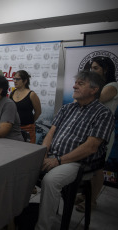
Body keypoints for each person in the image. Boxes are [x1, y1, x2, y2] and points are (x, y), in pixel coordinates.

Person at [35, 71, 114, 230]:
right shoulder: (67, 108)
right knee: (20, 168)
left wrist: (58, 161)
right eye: (76, 82)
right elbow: (50, 134)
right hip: (52, 156)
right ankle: (17, 216)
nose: (74, 86)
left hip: (78, 162)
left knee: (50, 181)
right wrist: (43, 153)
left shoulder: (103, 114)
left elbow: (91, 147)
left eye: (80, 83)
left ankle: (42, 227)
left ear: (94, 89)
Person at [76, 57, 118, 212]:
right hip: (90, 129)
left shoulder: (111, 86)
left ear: (105, 70)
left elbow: (93, 100)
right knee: (88, 165)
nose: (92, 71)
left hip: (103, 131)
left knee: (97, 167)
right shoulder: (98, 86)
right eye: (91, 68)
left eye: (95, 68)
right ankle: (86, 195)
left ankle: (92, 201)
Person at [10, 70, 41, 143]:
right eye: (14, 79)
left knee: (28, 150)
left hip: (28, 128)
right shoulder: (12, 93)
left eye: (17, 79)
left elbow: (38, 111)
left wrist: (30, 122)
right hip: (14, 128)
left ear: (25, 81)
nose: (15, 81)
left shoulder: (32, 94)